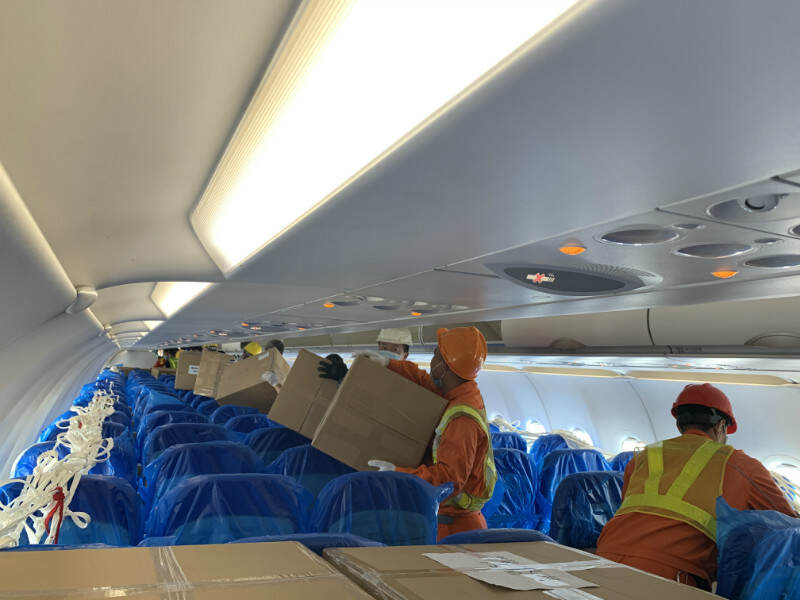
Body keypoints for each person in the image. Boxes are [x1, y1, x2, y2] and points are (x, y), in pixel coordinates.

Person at [597, 383, 797, 590]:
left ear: (679, 424)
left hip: (603, 557)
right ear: (720, 426)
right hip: (670, 572)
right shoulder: (740, 465)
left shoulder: (644, 456)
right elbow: (789, 526)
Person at [318, 326, 496, 541]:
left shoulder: (462, 419)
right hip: (443, 518)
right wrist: (388, 364)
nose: (432, 361)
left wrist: (398, 472)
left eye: (435, 355)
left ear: (444, 367)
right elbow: (422, 381)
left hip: (453, 527)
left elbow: (449, 481)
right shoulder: (458, 392)